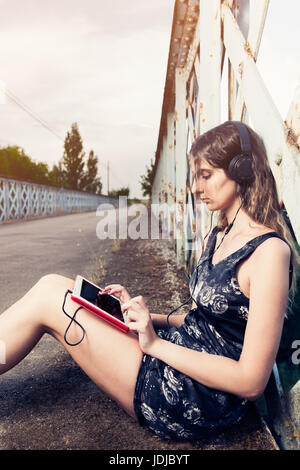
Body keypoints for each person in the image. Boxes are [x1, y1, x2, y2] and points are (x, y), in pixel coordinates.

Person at [0, 121, 298, 441]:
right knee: (57, 284)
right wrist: (141, 318)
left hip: (193, 396)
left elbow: (250, 380)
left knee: (49, 299)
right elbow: (211, 321)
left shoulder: (269, 252)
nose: (196, 188)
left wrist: (154, 344)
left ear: (242, 170)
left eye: (206, 175)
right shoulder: (221, 232)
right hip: (176, 353)